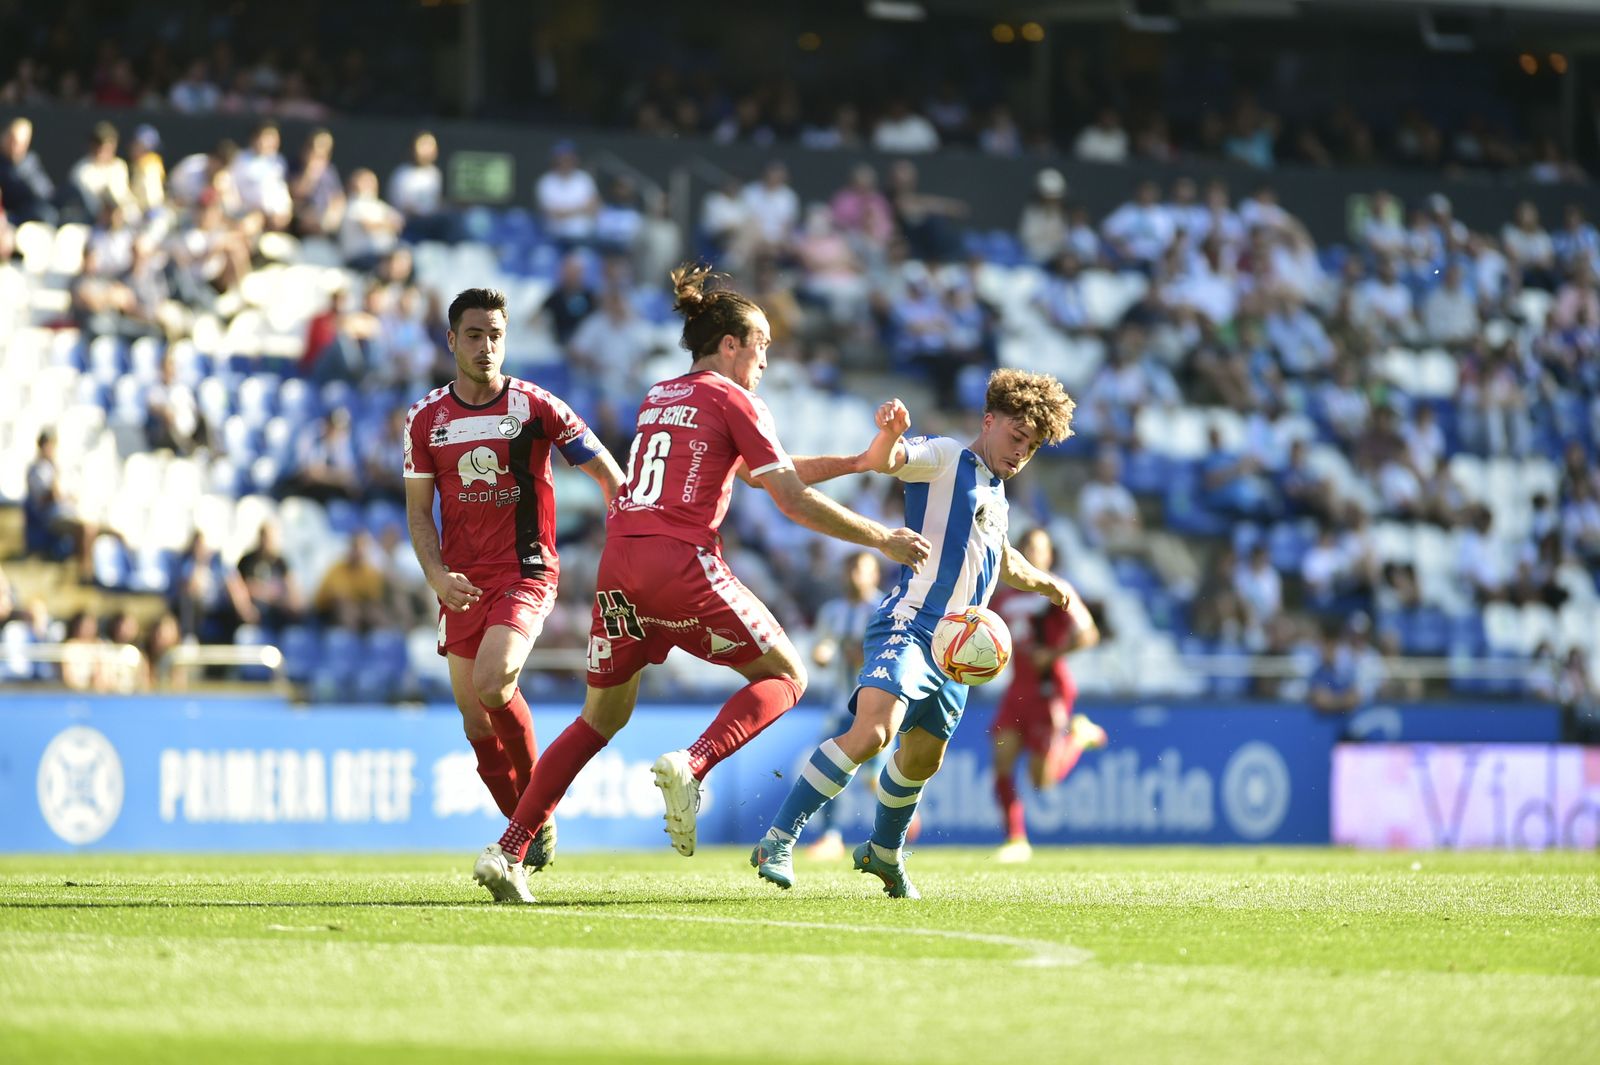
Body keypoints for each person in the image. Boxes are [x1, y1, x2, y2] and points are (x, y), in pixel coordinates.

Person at [471, 264, 931, 904]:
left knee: (600, 717)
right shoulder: (735, 398)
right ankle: (693, 763)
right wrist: (881, 536)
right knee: (787, 676)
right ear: (731, 344)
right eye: (761, 344)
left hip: (619, 564)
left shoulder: (660, 395)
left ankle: (510, 848)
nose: (766, 359)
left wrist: (858, 462)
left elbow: (757, 470)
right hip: (679, 561)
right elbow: (789, 500)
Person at [751, 368, 1078, 899]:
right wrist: (889, 433)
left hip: (956, 651)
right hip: (911, 624)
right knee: (874, 733)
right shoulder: (948, 456)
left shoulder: (996, 493)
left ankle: (882, 852)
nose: (1021, 453)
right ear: (989, 421)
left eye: (1033, 447)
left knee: (922, 758)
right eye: (1017, 438)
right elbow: (888, 460)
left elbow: (999, 559)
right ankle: (779, 839)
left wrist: (1046, 583)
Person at [407, 288, 624, 882]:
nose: (486, 346)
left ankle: (527, 820)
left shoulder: (534, 405)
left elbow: (609, 474)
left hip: (525, 572)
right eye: (473, 335)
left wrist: (631, 544)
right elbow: (420, 514)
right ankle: (528, 832)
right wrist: (436, 575)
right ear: (452, 340)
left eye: (496, 335)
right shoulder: (426, 418)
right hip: (460, 583)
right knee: (476, 720)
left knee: (492, 682)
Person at [989, 527, 1102, 864]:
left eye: (1039, 548)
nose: (1033, 553)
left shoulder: (1058, 590)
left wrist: (1051, 655)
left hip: (1049, 687)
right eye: (1027, 547)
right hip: (1017, 688)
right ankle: (1016, 839)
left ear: (1050, 555)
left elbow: (1089, 633)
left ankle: (1079, 737)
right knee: (1001, 762)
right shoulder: (1002, 596)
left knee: (1042, 781)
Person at [803, 550, 891, 862]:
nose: (855, 575)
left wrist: (866, 657)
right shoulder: (833, 611)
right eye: (850, 568)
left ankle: (896, 823)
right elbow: (822, 647)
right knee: (827, 765)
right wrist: (822, 655)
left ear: (875, 575)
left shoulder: (886, 607)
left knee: (874, 777)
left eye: (862, 569)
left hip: (878, 707)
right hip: (842, 706)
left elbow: (893, 653)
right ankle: (831, 836)